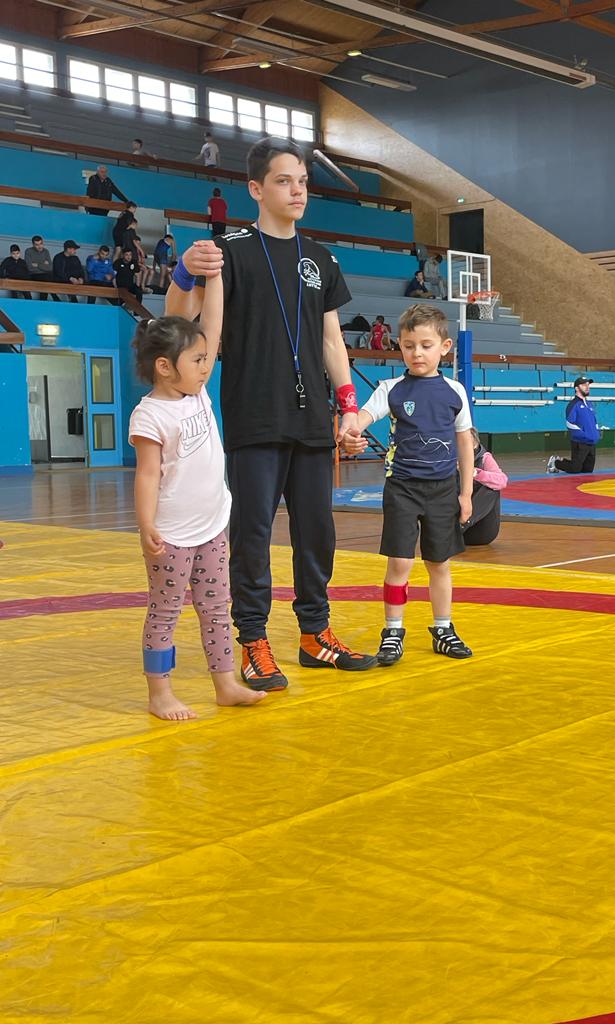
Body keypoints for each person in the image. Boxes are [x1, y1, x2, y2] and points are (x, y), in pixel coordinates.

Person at [165, 136, 377, 689]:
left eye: (302, 181)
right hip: (254, 416)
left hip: (311, 421)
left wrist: (348, 406)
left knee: (318, 531)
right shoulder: (229, 251)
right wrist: (184, 273)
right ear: (256, 189)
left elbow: (332, 340)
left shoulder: (321, 259)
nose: (297, 191)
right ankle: (253, 641)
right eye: (284, 181)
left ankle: (315, 635)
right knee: (253, 534)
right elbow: (188, 321)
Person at [128, 275, 267, 721]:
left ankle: (225, 684)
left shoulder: (198, 392)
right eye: (197, 360)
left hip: (212, 526)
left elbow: (213, 323)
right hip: (171, 535)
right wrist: (147, 526)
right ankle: (159, 693)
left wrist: (216, 278)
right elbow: (147, 476)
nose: (206, 367)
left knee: (216, 609)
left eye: (206, 359)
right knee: (165, 612)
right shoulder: (149, 415)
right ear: (165, 367)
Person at [342, 303, 474, 667]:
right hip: (402, 488)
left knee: (439, 563)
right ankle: (393, 630)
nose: (417, 353)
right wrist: (352, 428)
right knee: (399, 562)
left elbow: (465, 442)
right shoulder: (391, 389)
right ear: (399, 346)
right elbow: (365, 415)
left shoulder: (455, 391)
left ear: (444, 347)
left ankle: (443, 629)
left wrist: (465, 493)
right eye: (409, 345)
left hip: (443, 489)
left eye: (426, 345)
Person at [546, 377, 601, 475]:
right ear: (576, 388)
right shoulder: (573, 404)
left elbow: (594, 422)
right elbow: (570, 423)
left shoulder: (590, 404)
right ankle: (556, 462)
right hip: (579, 442)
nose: (587, 387)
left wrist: (596, 434)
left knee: (588, 470)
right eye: (584, 385)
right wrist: (584, 435)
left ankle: (559, 463)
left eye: (588, 385)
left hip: (592, 442)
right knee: (575, 469)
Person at [462, 428, 508, 545]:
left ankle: (462, 524)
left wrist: (475, 473)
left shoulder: (484, 458)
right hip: (453, 526)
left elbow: (502, 481)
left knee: (491, 488)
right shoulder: (449, 458)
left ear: (475, 444)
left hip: (480, 530)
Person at [25, 235, 57, 301]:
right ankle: (54, 297)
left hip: (46, 275)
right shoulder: (28, 251)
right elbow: (30, 268)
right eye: (37, 245)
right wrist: (44, 265)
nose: (40, 246)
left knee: (48, 276)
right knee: (47, 278)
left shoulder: (46, 251)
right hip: (34, 275)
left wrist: (37, 265)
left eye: (41, 244)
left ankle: (44, 300)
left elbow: (50, 268)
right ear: (33, 245)